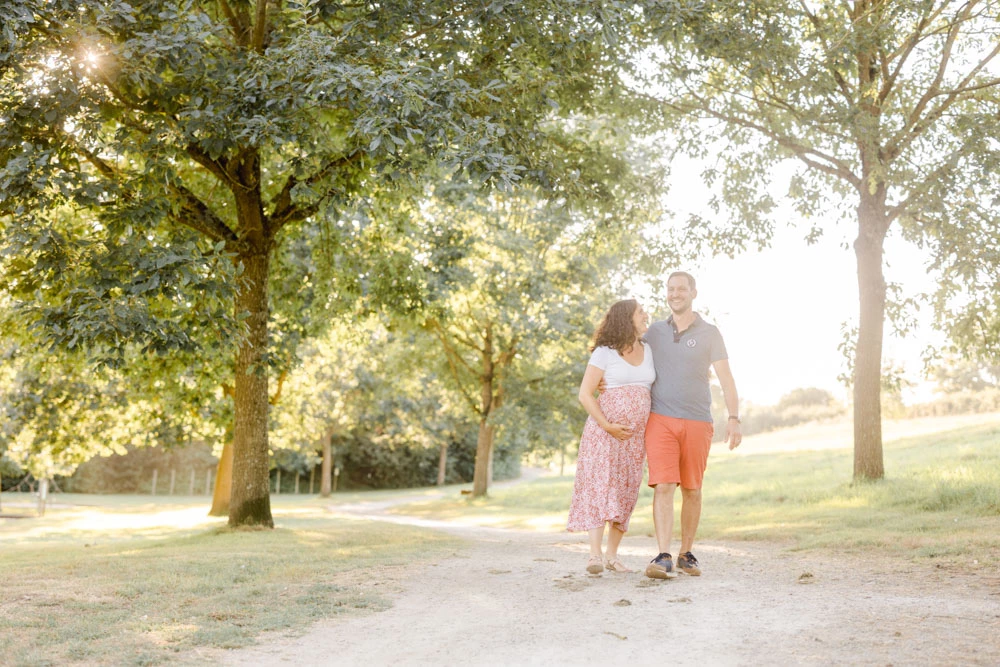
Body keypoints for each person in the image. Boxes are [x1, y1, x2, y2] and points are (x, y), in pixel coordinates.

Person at [643, 271, 742, 579]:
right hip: (660, 418)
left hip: (698, 420)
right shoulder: (654, 332)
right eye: (670, 289)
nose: (675, 294)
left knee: (692, 489)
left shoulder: (710, 333)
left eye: (681, 289)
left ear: (693, 293)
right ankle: (663, 556)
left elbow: (726, 379)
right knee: (663, 485)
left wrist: (734, 418)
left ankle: (686, 554)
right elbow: (628, 356)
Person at [567, 299, 655, 574]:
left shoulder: (649, 349)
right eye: (640, 312)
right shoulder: (604, 353)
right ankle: (594, 556)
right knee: (600, 487)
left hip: (634, 438)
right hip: (603, 433)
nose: (646, 315)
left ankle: (612, 556)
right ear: (625, 318)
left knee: (626, 491)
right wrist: (607, 425)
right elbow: (585, 394)